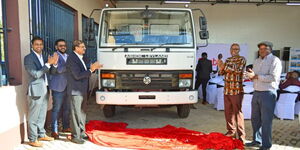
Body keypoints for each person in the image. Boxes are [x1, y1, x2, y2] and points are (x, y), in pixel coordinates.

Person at [245, 41, 282, 150]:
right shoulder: (256, 61)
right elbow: (255, 76)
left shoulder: (275, 60)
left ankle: (266, 145)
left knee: (266, 120)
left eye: (264, 49)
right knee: (255, 119)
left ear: (270, 49)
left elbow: (273, 77)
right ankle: (257, 140)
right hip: (256, 92)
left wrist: (255, 76)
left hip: (268, 93)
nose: (262, 51)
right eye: (260, 49)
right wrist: (250, 75)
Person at [24, 36, 58, 147]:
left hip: (45, 89)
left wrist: (54, 64)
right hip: (35, 91)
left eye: (41, 44)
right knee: (34, 116)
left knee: (42, 114)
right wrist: (48, 64)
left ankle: (41, 134)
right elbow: (35, 74)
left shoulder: (44, 56)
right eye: (36, 44)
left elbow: (51, 72)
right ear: (32, 45)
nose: (39, 46)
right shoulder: (28, 58)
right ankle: (33, 139)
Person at [66, 40, 102, 144]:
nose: (84, 49)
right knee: (76, 114)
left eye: (84, 47)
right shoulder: (72, 58)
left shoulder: (80, 58)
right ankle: (75, 136)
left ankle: (81, 132)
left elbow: (84, 71)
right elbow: (77, 75)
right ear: (76, 48)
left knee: (82, 113)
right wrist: (91, 70)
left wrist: (92, 69)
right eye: (82, 47)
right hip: (75, 91)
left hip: (82, 90)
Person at [218, 43, 246, 144]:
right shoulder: (228, 60)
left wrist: (224, 68)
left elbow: (237, 71)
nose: (235, 50)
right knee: (228, 113)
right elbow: (222, 73)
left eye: (237, 49)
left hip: (236, 90)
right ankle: (231, 132)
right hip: (227, 90)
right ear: (230, 50)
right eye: (233, 49)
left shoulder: (241, 59)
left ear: (239, 50)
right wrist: (220, 66)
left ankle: (241, 136)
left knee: (238, 113)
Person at [49, 39, 71, 139]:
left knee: (66, 109)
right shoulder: (55, 56)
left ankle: (66, 127)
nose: (63, 47)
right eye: (60, 45)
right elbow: (58, 70)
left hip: (68, 87)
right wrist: (69, 65)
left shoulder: (67, 56)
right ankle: (54, 131)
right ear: (56, 47)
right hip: (58, 87)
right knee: (56, 109)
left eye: (64, 45)